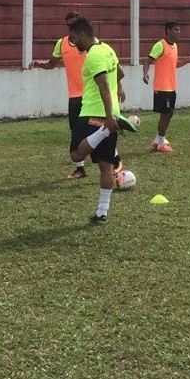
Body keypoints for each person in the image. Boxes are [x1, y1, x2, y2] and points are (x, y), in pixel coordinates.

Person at [66, 17, 137, 224]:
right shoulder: (107, 49)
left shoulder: (93, 56)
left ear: (81, 34)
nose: (73, 43)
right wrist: (118, 99)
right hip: (112, 113)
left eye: (73, 39)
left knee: (76, 154)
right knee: (106, 166)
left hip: (93, 114)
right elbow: (119, 73)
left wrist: (107, 120)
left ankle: (104, 130)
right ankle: (102, 213)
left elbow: (104, 86)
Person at [31, 11, 90, 179]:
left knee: (98, 130)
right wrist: (39, 65)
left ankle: (113, 163)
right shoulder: (62, 44)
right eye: (70, 25)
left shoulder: (90, 43)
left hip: (92, 95)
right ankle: (80, 168)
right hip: (74, 96)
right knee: (76, 132)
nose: (73, 28)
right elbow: (52, 63)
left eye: (76, 24)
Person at [142, 21, 190, 153]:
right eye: (176, 30)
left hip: (171, 87)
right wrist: (145, 73)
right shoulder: (160, 45)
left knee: (169, 114)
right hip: (161, 87)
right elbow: (148, 60)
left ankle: (157, 141)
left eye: (179, 30)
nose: (179, 32)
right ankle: (160, 143)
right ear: (168, 30)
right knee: (165, 115)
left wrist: (188, 60)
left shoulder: (175, 46)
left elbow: (174, 64)